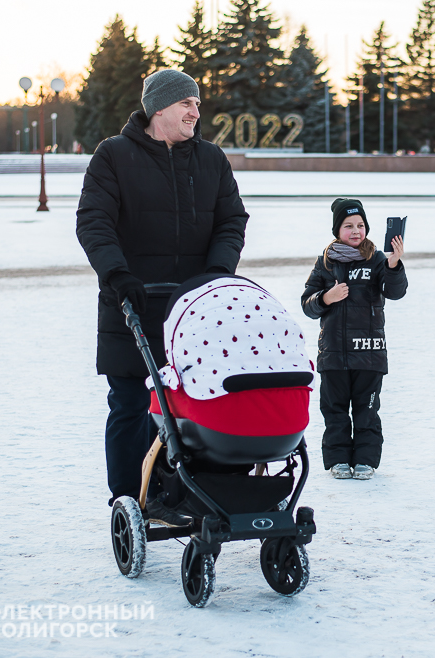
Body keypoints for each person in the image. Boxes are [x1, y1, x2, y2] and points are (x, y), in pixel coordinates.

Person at [76, 69, 249, 525]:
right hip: (132, 302)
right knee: (131, 403)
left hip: (196, 311)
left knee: (200, 400)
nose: (197, 111)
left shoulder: (211, 160)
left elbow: (232, 220)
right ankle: (129, 500)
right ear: (159, 108)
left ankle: (192, 492)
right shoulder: (113, 156)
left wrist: (216, 273)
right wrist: (117, 274)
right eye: (187, 103)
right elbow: (94, 220)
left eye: (197, 103)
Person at [301, 199, 408, 480]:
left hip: (369, 353)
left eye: (360, 225)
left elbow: (395, 292)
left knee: (367, 410)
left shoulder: (377, 259)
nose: (356, 230)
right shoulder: (326, 262)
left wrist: (394, 264)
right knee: (334, 411)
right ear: (337, 230)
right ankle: (338, 459)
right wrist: (326, 297)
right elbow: (307, 304)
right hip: (334, 353)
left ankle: (365, 460)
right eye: (348, 226)